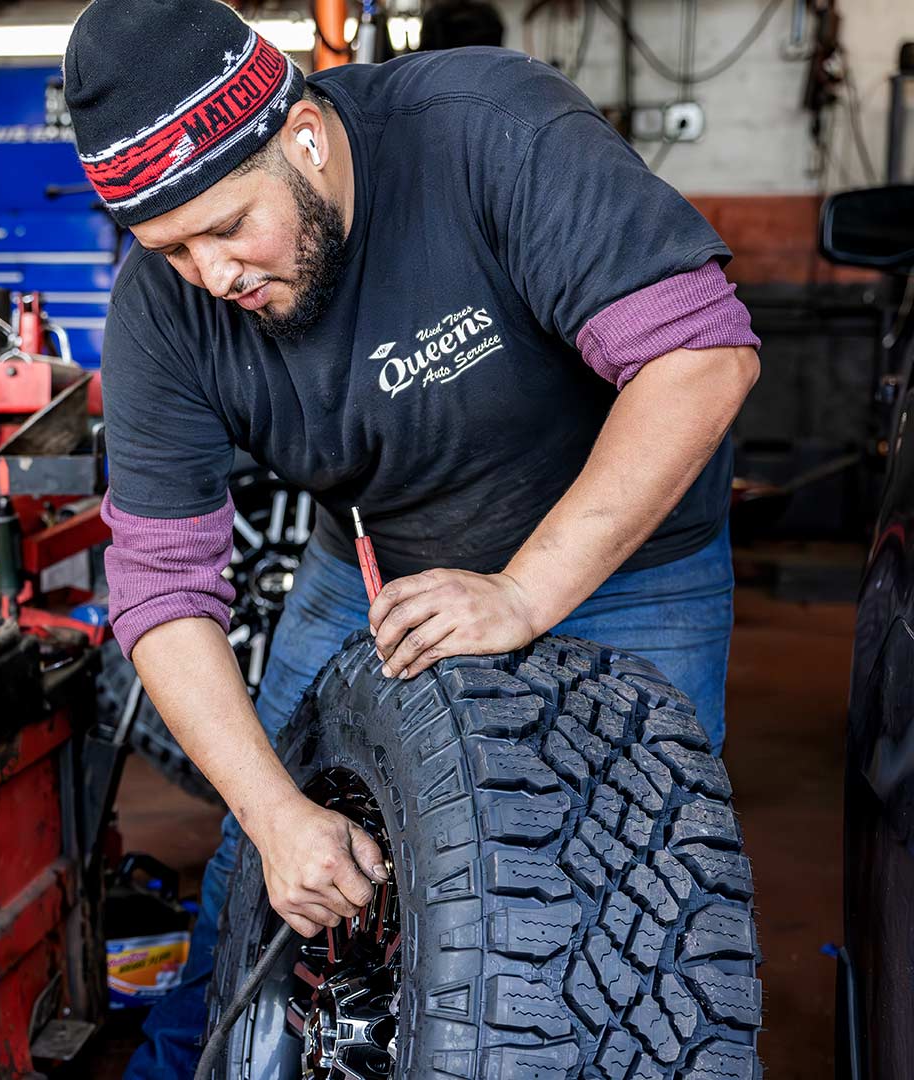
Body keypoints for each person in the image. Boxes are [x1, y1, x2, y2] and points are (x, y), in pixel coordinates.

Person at [62, 0, 762, 1075]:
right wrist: (273, 811)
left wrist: (527, 592)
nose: (213, 275)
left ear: (301, 134)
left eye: (226, 226)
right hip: (374, 567)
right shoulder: (166, 310)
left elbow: (701, 356)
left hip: (633, 558)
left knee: (636, 889)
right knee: (256, 871)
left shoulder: (485, 129)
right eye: (172, 247)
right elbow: (161, 589)